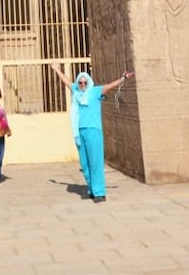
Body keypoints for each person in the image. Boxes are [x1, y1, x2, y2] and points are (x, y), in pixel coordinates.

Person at [49, 63, 133, 203]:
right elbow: (66, 81)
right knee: (85, 163)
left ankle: (100, 192)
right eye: (80, 82)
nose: (82, 84)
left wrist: (123, 78)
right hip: (80, 131)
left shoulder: (94, 92)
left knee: (95, 162)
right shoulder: (76, 92)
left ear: (89, 82)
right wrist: (57, 70)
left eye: (84, 82)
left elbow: (110, 86)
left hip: (93, 130)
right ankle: (92, 189)